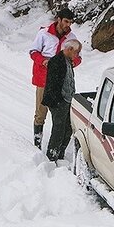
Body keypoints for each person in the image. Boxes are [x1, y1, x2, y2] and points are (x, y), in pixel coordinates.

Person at [30, 8, 81, 149]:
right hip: (43, 78)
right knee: (41, 113)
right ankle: (37, 142)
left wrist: (72, 63)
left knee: (61, 115)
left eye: (70, 22)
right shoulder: (44, 33)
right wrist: (43, 61)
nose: (68, 25)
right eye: (66, 21)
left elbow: (79, 57)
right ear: (58, 19)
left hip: (61, 81)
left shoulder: (72, 37)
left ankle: (56, 145)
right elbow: (33, 52)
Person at [41, 39, 82, 162]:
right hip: (59, 101)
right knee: (58, 129)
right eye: (76, 52)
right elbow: (52, 84)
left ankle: (60, 153)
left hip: (67, 100)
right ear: (69, 49)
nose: (77, 55)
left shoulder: (68, 61)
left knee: (68, 128)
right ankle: (52, 156)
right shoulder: (56, 61)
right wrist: (58, 101)